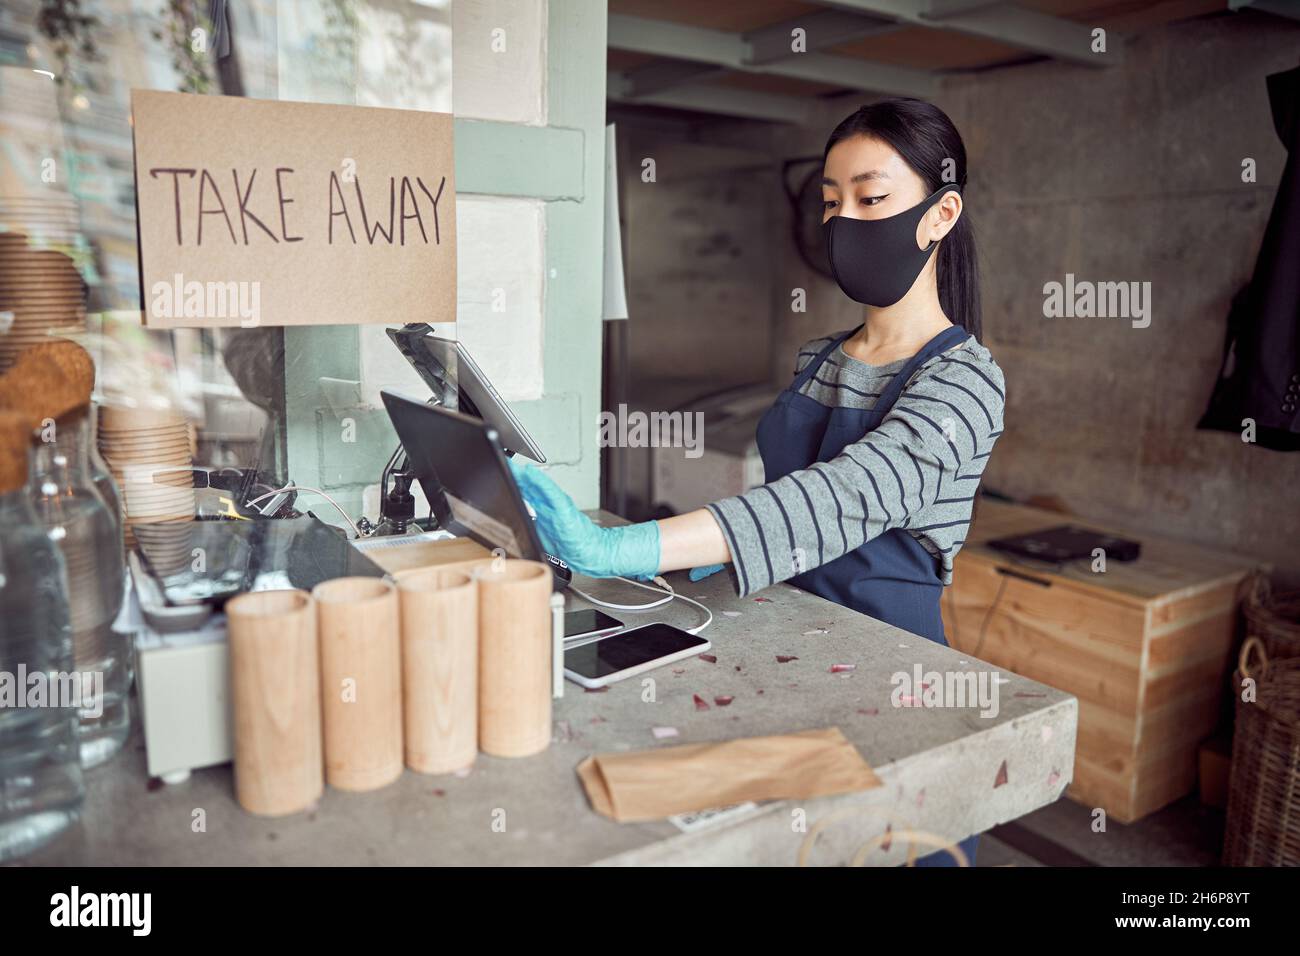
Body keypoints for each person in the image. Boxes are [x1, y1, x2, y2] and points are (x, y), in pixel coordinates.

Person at [511, 98, 1004, 867]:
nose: (844, 224)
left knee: (883, 843)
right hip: (786, 642)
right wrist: (729, 548)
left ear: (941, 214)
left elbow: (840, 497)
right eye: (833, 204)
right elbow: (789, 490)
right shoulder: (822, 356)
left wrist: (623, 547)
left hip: (890, 673)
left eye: (872, 199)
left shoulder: (964, 384)